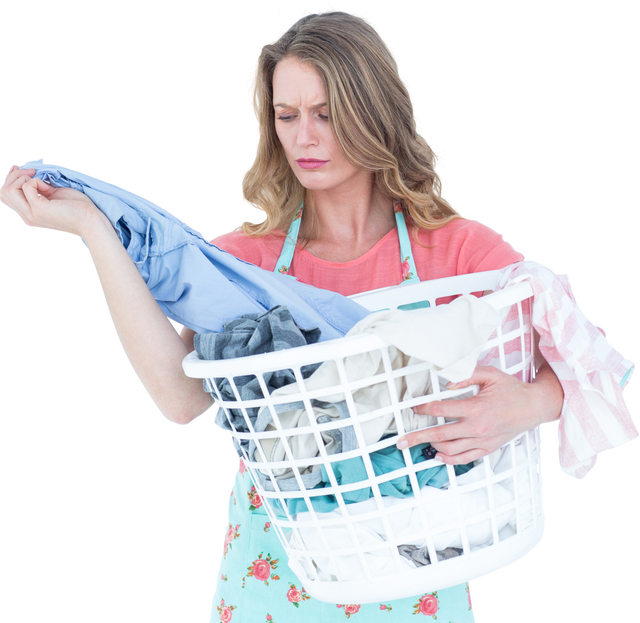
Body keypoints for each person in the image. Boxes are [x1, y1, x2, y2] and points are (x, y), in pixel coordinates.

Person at [1, 10, 566, 622]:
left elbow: (597, 368)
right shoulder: (247, 262)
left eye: (326, 115)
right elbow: (181, 400)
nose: (304, 137)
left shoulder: (458, 252)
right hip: (275, 574)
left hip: (417, 575)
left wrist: (529, 405)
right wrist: (92, 230)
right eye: (287, 116)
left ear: (374, 114)